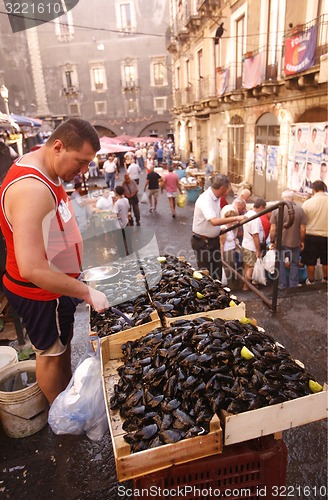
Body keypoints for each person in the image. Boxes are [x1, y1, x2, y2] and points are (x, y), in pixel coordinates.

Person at [0, 118, 109, 404]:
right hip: (42, 294)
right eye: (81, 161)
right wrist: (86, 292)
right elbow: (33, 267)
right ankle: (61, 416)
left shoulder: (48, 166)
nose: (85, 171)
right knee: (50, 354)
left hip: (58, 290)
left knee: (61, 347)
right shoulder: (32, 191)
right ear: (58, 147)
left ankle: (67, 397)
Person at [191, 174, 244, 280]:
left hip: (212, 240)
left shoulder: (216, 197)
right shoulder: (206, 199)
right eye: (229, 187)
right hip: (203, 242)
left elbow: (216, 217)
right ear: (223, 188)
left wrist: (221, 228)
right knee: (206, 274)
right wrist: (236, 218)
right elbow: (214, 221)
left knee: (217, 272)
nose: (230, 191)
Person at [270, 190, 306, 289]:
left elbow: (272, 229)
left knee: (280, 263)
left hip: (280, 242)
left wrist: (272, 241)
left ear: (283, 198)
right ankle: (293, 285)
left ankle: (282, 285)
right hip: (295, 242)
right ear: (293, 198)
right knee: (294, 264)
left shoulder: (276, 211)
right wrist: (302, 241)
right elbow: (302, 229)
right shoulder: (300, 210)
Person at [301, 180, 328, 284]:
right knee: (326, 260)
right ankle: (326, 279)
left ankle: (311, 280)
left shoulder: (307, 203)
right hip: (326, 235)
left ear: (313, 189)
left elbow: (303, 222)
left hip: (311, 235)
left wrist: (301, 239)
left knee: (310, 260)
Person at [241, 198, 267, 290]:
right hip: (251, 246)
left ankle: (246, 286)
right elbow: (255, 235)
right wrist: (258, 250)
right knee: (250, 267)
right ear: (261, 207)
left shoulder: (248, 214)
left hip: (246, 244)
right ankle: (246, 287)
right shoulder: (255, 218)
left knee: (247, 266)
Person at [219, 206, 238, 287]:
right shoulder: (224, 229)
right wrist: (221, 256)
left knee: (231, 268)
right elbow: (221, 243)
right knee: (228, 270)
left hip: (232, 250)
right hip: (227, 251)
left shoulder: (230, 227)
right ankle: (228, 286)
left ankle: (231, 285)